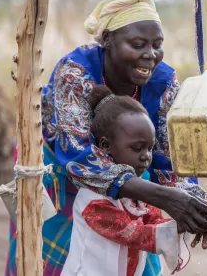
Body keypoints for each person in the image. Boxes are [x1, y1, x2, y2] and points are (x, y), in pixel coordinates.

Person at [5, 0, 207, 276]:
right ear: (107, 41)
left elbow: (167, 157)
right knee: (50, 258)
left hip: (132, 173)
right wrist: (166, 198)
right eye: (137, 44)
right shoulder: (75, 73)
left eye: (157, 45)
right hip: (58, 173)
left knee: (129, 256)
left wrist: (192, 202)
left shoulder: (163, 81)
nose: (150, 55)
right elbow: (78, 158)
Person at [62, 86, 191, 275]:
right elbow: (130, 232)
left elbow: (153, 219)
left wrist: (184, 222)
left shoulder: (137, 190)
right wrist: (170, 231)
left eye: (150, 148)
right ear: (106, 146)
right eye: (137, 148)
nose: (146, 157)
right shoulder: (91, 197)